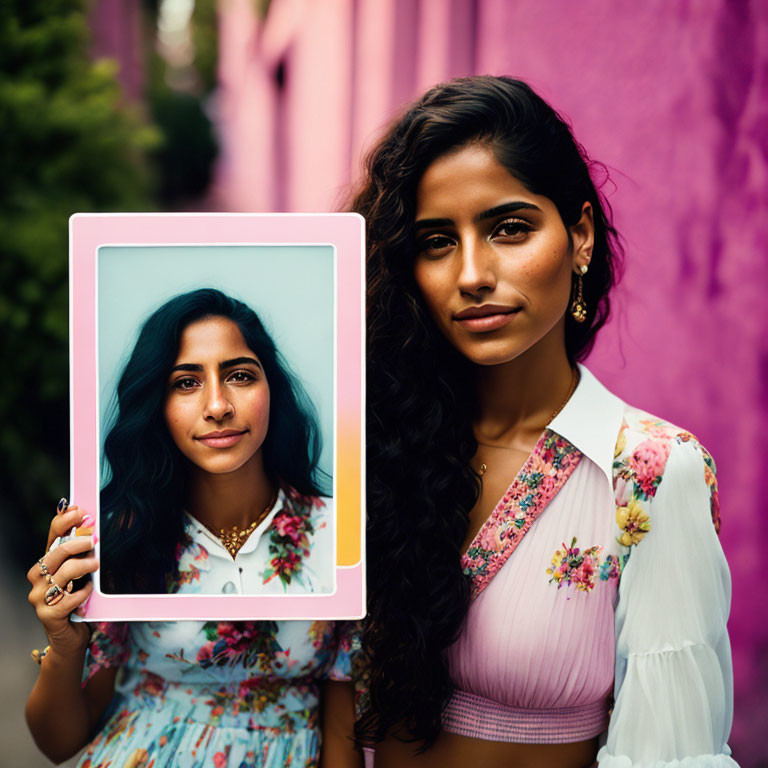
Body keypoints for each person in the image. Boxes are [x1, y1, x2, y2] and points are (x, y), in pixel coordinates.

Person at [352, 76, 736, 768]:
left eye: (509, 229)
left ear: (580, 235)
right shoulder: (369, 442)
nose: (472, 274)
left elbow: (670, 753)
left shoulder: (647, 474)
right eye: (438, 242)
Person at [25, 288, 361, 768]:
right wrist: (64, 645)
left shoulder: (341, 533)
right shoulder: (121, 533)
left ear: (273, 390)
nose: (218, 405)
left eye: (240, 376)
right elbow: (58, 743)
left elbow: (343, 731)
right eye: (186, 383)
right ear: (156, 405)